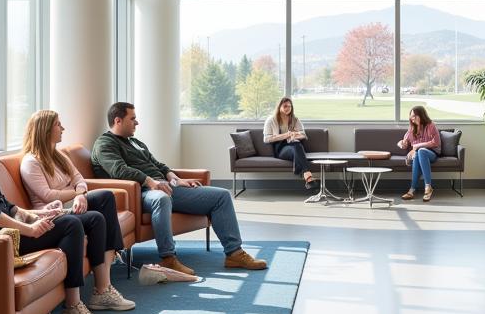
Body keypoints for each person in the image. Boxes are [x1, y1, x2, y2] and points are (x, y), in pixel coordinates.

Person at [0, 121, 134, 314]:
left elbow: (8, 207)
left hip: (10, 232)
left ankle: (101, 292)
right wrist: (28, 228)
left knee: (93, 218)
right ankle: (72, 308)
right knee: (71, 224)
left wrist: (39, 214)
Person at [92, 102, 267, 275]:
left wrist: (176, 179)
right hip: (140, 193)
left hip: (165, 186)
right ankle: (168, 259)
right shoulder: (105, 144)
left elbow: (158, 164)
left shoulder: (135, 142)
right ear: (118, 120)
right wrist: (151, 182)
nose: (137, 122)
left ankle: (234, 254)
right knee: (161, 198)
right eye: (133, 119)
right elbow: (119, 170)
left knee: (221, 196)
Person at [19, 108, 144, 290]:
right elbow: (48, 195)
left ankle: (106, 272)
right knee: (97, 216)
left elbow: (79, 179)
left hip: (72, 203)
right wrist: (78, 194)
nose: (63, 128)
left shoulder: (58, 155)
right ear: (45, 130)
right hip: (54, 210)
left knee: (106, 196)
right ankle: (105, 280)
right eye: (58, 125)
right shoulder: (31, 162)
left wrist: (81, 193)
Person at [263, 96, 314, 190]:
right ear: (279, 107)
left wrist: (295, 134)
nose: (287, 108)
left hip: (293, 145)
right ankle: (307, 173)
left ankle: (307, 175)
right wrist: (286, 135)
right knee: (297, 148)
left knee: (297, 145)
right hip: (280, 149)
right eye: (285, 106)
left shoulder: (294, 119)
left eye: (289, 106)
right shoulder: (271, 120)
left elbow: (304, 135)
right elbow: (266, 139)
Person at [398, 105, 441, 202]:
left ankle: (427, 187)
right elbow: (404, 142)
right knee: (417, 154)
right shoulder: (411, 128)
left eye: (414, 116)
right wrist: (401, 144)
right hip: (419, 154)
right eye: (411, 116)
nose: (412, 118)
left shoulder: (431, 126)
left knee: (420, 151)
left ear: (421, 115)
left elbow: (435, 143)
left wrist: (416, 146)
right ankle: (412, 190)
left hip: (432, 153)